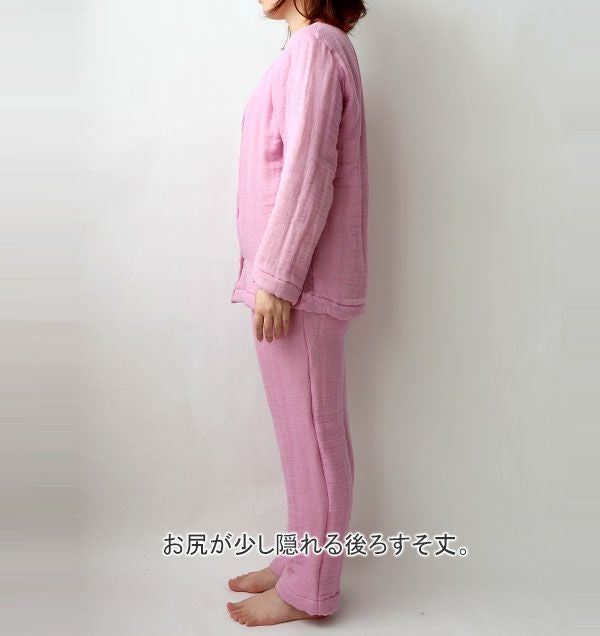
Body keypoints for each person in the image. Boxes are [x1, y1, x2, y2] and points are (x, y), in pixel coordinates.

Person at [227, 0, 369, 626]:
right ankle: (296, 563)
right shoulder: (311, 48)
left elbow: (310, 170)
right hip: (289, 281)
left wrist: (278, 277)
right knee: (301, 437)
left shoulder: (315, 47)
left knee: (314, 437)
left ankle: (311, 590)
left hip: (297, 283)